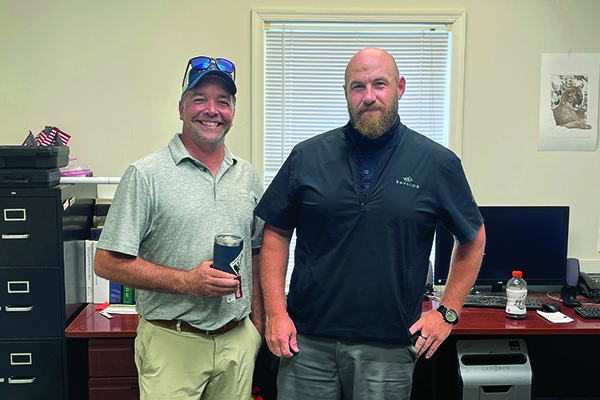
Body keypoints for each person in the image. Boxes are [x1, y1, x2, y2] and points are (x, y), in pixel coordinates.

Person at [254, 47, 486, 399]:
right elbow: (276, 233)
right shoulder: (307, 156)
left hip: (389, 347)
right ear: (346, 92)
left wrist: (448, 312)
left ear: (400, 87)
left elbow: (473, 238)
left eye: (380, 84)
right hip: (307, 343)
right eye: (358, 86)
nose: (369, 96)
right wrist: (275, 312)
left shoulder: (437, 163)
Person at [94, 55, 265, 400]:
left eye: (223, 101)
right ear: (182, 107)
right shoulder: (146, 175)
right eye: (200, 99)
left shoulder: (247, 176)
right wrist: (187, 282)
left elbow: (258, 253)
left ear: (233, 110)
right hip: (172, 342)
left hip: (237, 341)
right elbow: (106, 263)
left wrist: (257, 328)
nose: (212, 110)